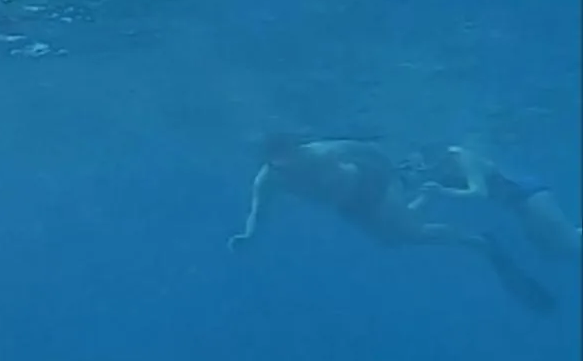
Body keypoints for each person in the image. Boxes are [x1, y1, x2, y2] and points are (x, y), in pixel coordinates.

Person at [229, 134, 556, 312]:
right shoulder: (269, 180)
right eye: (284, 164)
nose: (294, 166)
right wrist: (248, 235)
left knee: (408, 230)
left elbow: (367, 150)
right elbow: (259, 210)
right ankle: (457, 221)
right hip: (352, 206)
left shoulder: (324, 151)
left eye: (295, 157)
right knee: (395, 240)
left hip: (374, 185)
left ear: (299, 149)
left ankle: (478, 240)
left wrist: (397, 176)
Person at [408, 144, 581, 262]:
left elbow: (479, 193)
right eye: (418, 168)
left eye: (422, 166)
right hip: (515, 206)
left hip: (528, 194)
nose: (424, 171)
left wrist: (442, 191)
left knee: (571, 242)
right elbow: (418, 204)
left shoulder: (461, 157)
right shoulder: (437, 171)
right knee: (552, 250)